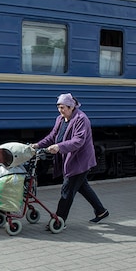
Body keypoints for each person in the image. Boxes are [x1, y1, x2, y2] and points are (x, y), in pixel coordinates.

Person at [31, 93, 109, 228]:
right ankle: (101, 211)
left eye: (63, 108)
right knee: (82, 186)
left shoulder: (81, 119)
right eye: (59, 107)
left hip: (80, 161)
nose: (60, 110)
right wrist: (38, 145)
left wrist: (59, 146)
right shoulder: (60, 119)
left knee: (67, 190)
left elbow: (78, 141)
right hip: (69, 158)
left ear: (71, 107)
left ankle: (59, 220)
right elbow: (52, 136)